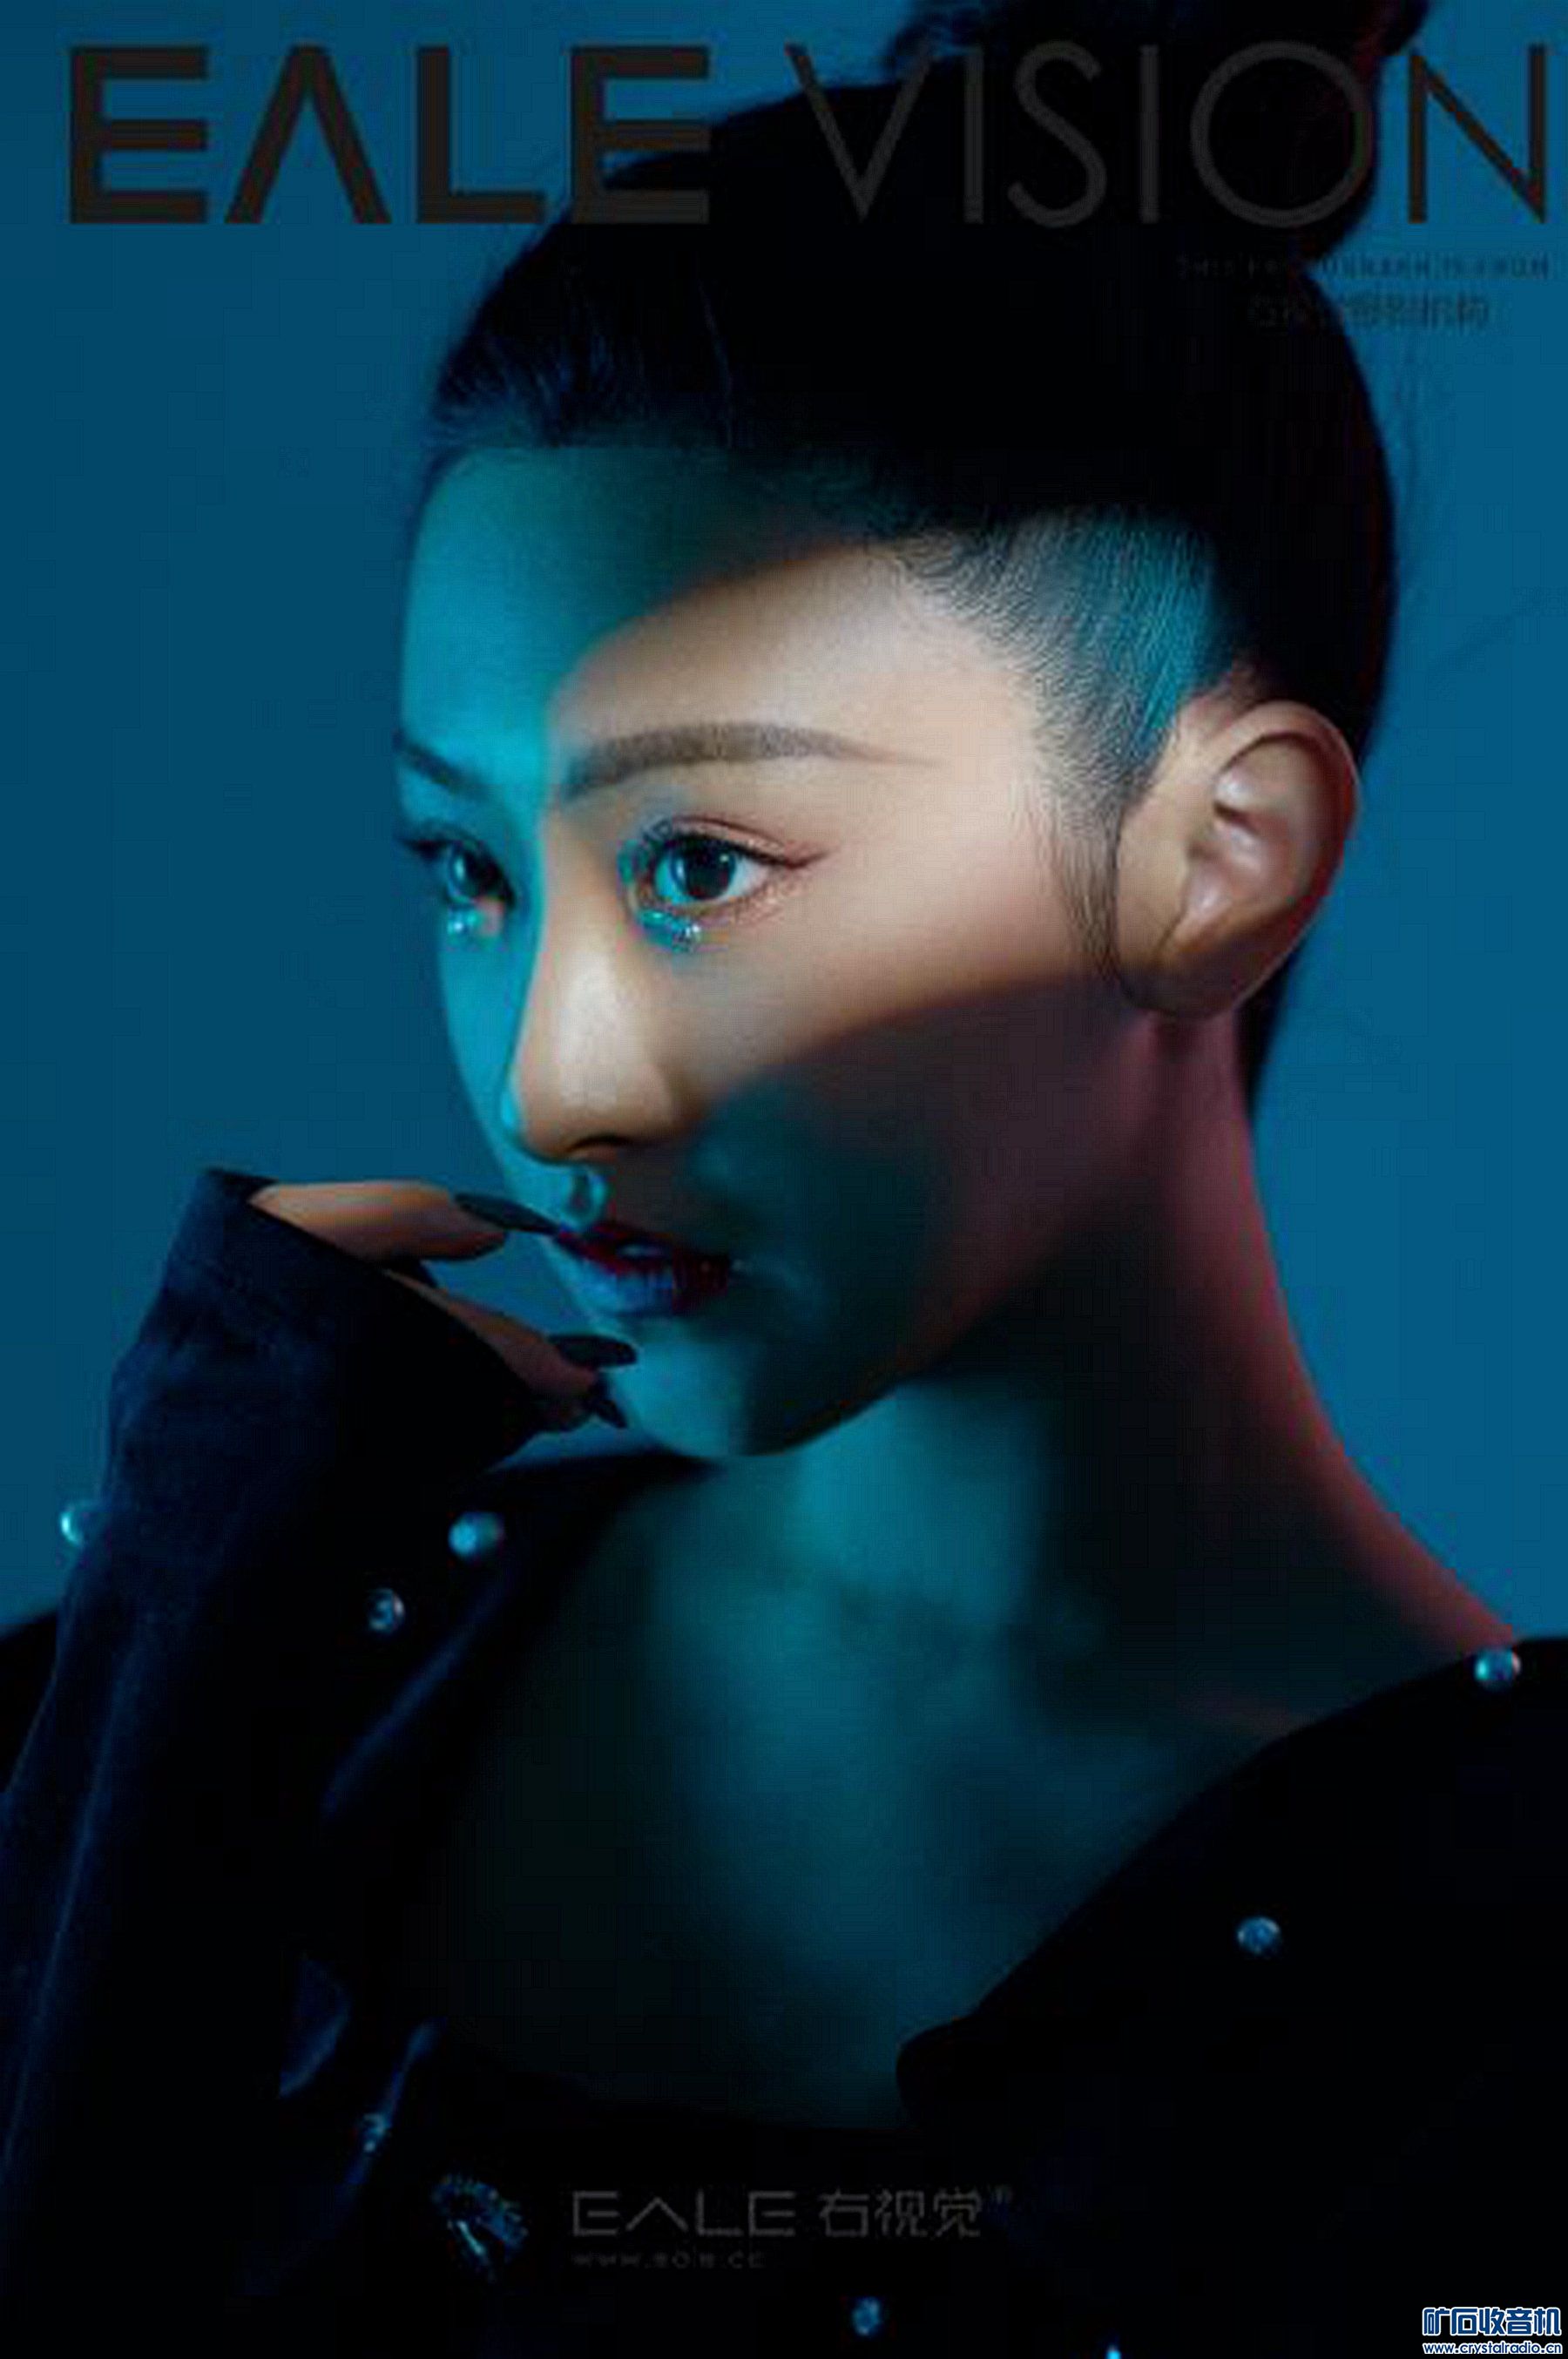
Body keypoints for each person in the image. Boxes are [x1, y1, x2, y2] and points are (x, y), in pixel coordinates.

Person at [2, 3, 1563, 2354]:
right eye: (470, 872)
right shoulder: (291, 1655)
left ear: (1221, 855)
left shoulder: (1505, 1989)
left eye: (703, 865)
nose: (552, 1083)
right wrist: (177, 1642)